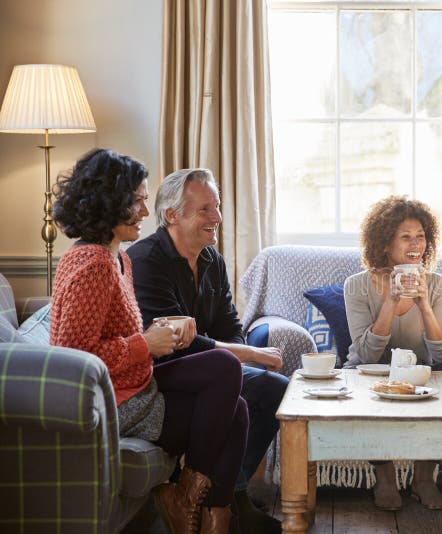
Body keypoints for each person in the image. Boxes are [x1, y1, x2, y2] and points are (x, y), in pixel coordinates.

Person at [50, 148, 247, 534]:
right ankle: (187, 496)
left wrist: (161, 329)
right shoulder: (92, 266)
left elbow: (118, 334)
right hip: (114, 403)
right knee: (224, 367)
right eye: (137, 200)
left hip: (134, 385)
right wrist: (145, 344)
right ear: (110, 202)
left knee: (236, 408)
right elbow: (74, 360)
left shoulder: (117, 259)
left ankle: (211, 518)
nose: (145, 211)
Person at [126, 168, 287, 533]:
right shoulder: (145, 260)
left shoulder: (213, 260)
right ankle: (220, 503)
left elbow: (230, 324)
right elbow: (173, 343)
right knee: (245, 376)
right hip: (163, 372)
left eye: (217, 207)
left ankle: (229, 496)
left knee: (273, 388)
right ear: (171, 215)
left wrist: (242, 356)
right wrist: (251, 357)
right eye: (204, 210)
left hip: (213, 371)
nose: (216, 217)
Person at [343, 195, 442, 511]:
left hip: (418, 369)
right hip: (370, 370)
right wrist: (391, 302)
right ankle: (385, 476)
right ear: (384, 243)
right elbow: (365, 354)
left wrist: (423, 304)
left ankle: (423, 477)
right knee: (356, 379)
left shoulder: (437, 285)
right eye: (405, 236)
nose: (415, 244)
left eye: (420, 236)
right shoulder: (356, 285)